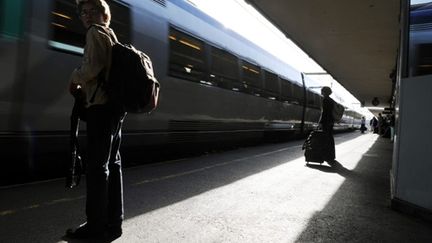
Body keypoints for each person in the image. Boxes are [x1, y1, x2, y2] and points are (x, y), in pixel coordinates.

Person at [66, 0, 125, 239]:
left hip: (100, 108)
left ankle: (95, 226)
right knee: (113, 164)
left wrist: (74, 78)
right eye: (84, 12)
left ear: (104, 14)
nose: (87, 16)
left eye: (93, 11)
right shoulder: (111, 34)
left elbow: (93, 67)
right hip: (115, 109)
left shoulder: (95, 32)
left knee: (97, 168)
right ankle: (114, 223)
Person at [319, 86, 336, 162]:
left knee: (325, 138)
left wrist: (320, 122)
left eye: (322, 91)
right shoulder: (331, 100)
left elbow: (324, 112)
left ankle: (326, 156)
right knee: (330, 138)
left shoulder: (325, 100)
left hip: (326, 121)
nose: (321, 92)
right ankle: (331, 156)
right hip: (331, 121)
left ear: (324, 92)